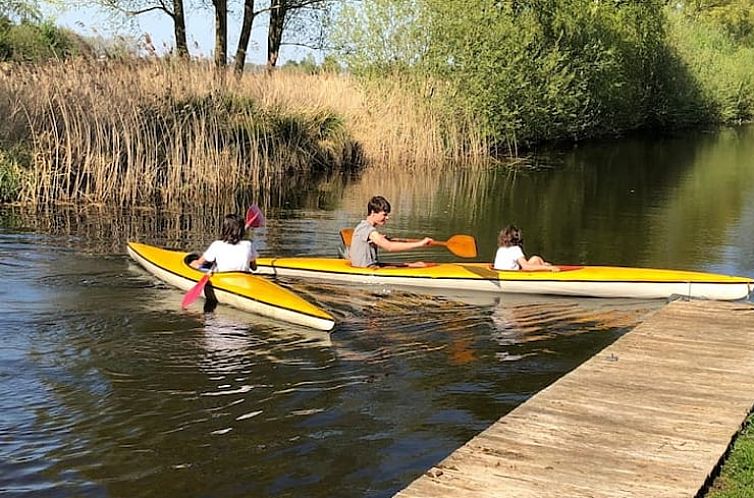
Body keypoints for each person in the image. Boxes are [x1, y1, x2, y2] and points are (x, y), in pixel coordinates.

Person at [349, 195, 433, 268]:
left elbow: (374, 238)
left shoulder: (366, 229)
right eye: (384, 214)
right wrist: (420, 243)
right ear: (373, 212)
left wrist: (380, 239)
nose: (387, 218)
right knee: (413, 266)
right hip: (366, 269)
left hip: (372, 266)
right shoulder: (366, 229)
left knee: (416, 265)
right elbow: (389, 247)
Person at [190, 214, 258, 272]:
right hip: (242, 278)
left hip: (223, 278)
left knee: (195, 264)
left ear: (224, 229)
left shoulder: (217, 244)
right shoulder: (248, 244)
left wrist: (193, 263)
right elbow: (254, 268)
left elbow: (200, 262)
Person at [493, 224, 559, 272]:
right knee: (536, 259)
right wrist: (548, 268)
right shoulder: (515, 249)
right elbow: (526, 267)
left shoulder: (501, 249)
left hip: (501, 272)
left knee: (535, 259)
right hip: (512, 275)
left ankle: (545, 265)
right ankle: (548, 270)